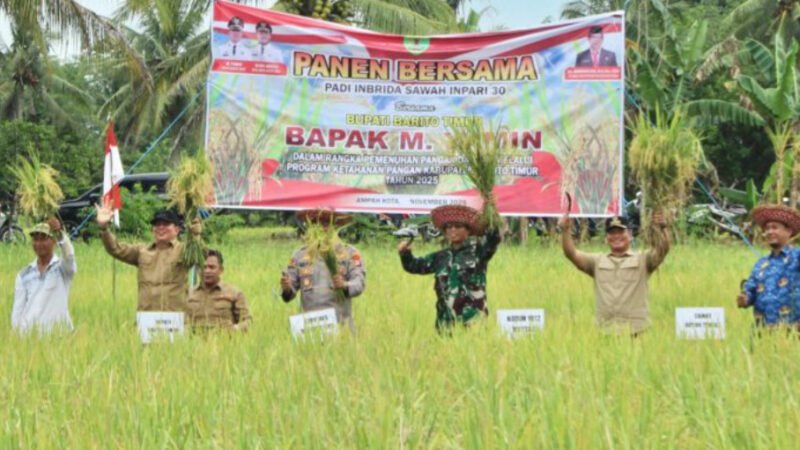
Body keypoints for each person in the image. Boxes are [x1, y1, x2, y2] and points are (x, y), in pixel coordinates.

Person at [560, 212, 669, 335]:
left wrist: (663, 228)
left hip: (636, 330)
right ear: (606, 238)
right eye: (612, 232)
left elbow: (662, 249)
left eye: (621, 232)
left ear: (630, 235)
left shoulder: (643, 260)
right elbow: (572, 254)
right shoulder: (596, 261)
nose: (616, 236)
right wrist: (565, 230)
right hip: (605, 330)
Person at [398, 204, 501, 332]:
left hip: (473, 321)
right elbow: (414, 266)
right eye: (448, 227)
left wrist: (491, 211)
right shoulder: (440, 257)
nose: (452, 230)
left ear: (468, 230)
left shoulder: (479, 252)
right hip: (445, 322)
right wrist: (405, 253)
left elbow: (493, 238)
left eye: (458, 226)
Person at [96, 197, 199, 311]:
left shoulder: (184, 250)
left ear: (177, 229)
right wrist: (104, 228)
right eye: (157, 224)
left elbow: (200, 256)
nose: (160, 227)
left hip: (175, 316)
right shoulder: (142, 251)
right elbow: (116, 249)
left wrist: (196, 235)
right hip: (146, 316)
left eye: (166, 224)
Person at [280, 209, 366, 329]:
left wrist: (344, 285)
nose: (322, 227)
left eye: (326, 222)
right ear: (311, 226)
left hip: (341, 325)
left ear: (335, 225)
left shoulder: (349, 253)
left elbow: (359, 283)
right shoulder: (300, 255)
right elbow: (289, 292)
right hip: (310, 327)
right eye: (316, 222)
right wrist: (286, 287)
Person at [737, 205, 800, 327]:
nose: (770, 232)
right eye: (767, 228)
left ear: (789, 231)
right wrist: (745, 299)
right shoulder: (761, 264)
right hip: (763, 331)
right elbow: (750, 289)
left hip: (794, 330)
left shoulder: (797, 256)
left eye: (775, 227)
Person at [12, 218, 76, 333]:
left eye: (43, 239)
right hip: (30, 336)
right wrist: (16, 335)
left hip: (60, 334)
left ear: (54, 241)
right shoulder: (24, 274)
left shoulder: (62, 269)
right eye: (35, 239)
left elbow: (69, 256)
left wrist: (60, 234)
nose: (38, 244)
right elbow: (17, 311)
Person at [186, 249, 251, 332]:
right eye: (203, 267)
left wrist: (234, 329)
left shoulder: (234, 293)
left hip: (224, 338)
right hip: (195, 338)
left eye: (212, 267)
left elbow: (247, 321)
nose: (207, 271)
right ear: (198, 270)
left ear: (221, 270)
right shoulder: (188, 294)